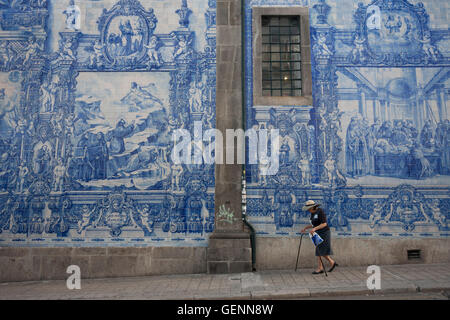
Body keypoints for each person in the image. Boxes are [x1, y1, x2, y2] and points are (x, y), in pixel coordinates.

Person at [300, 200, 338, 274]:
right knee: (319, 250)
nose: (308, 210)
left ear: (313, 207)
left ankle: (322, 267)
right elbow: (314, 224)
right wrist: (306, 228)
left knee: (319, 250)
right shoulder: (312, 214)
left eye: (309, 209)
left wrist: (314, 229)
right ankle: (330, 263)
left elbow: (324, 224)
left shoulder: (320, 212)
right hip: (317, 233)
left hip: (324, 232)